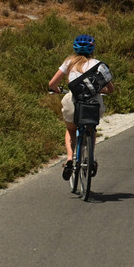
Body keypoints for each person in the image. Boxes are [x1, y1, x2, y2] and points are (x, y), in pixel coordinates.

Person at [47, 34, 116, 181]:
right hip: (93, 104)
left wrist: (58, 89)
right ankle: (90, 159)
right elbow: (110, 89)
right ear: (93, 48)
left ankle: (70, 159)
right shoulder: (99, 64)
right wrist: (100, 90)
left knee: (71, 129)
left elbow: (52, 84)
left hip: (73, 101)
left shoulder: (69, 62)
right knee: (91, 128)